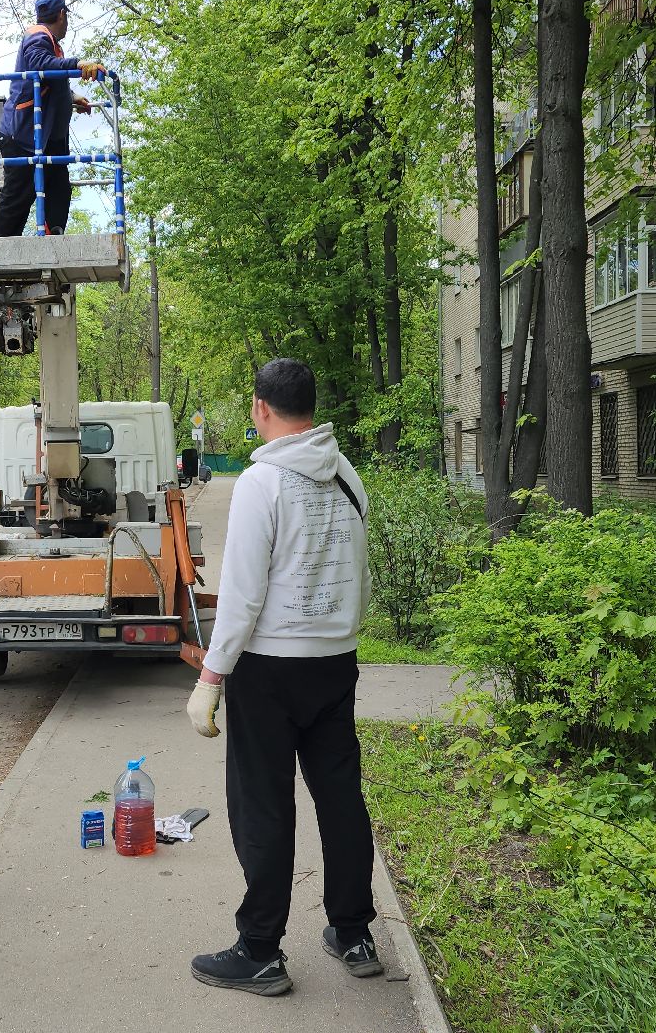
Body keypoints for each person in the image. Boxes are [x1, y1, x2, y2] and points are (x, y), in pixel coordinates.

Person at [184, 357, 378, 997]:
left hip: (269, 671)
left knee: (263, 806)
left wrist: (212, 676)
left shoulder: (261, 483)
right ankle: (353, 933)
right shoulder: (346, 475)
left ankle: (260, 950)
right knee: (340, 799)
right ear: (311, 409)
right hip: (335, 661)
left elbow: (240, 596)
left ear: (260, 409)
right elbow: (360, 571)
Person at [0, 0, 106, 238]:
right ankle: (0, 250)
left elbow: (50, 79)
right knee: (19, 196)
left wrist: (71, 96)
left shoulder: (50, 42)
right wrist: (77, 64)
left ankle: (53, 236)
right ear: (62, 15)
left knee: (58, 187)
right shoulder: (38, 37)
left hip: (46, 138)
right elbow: (40, 64)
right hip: (23, 135)